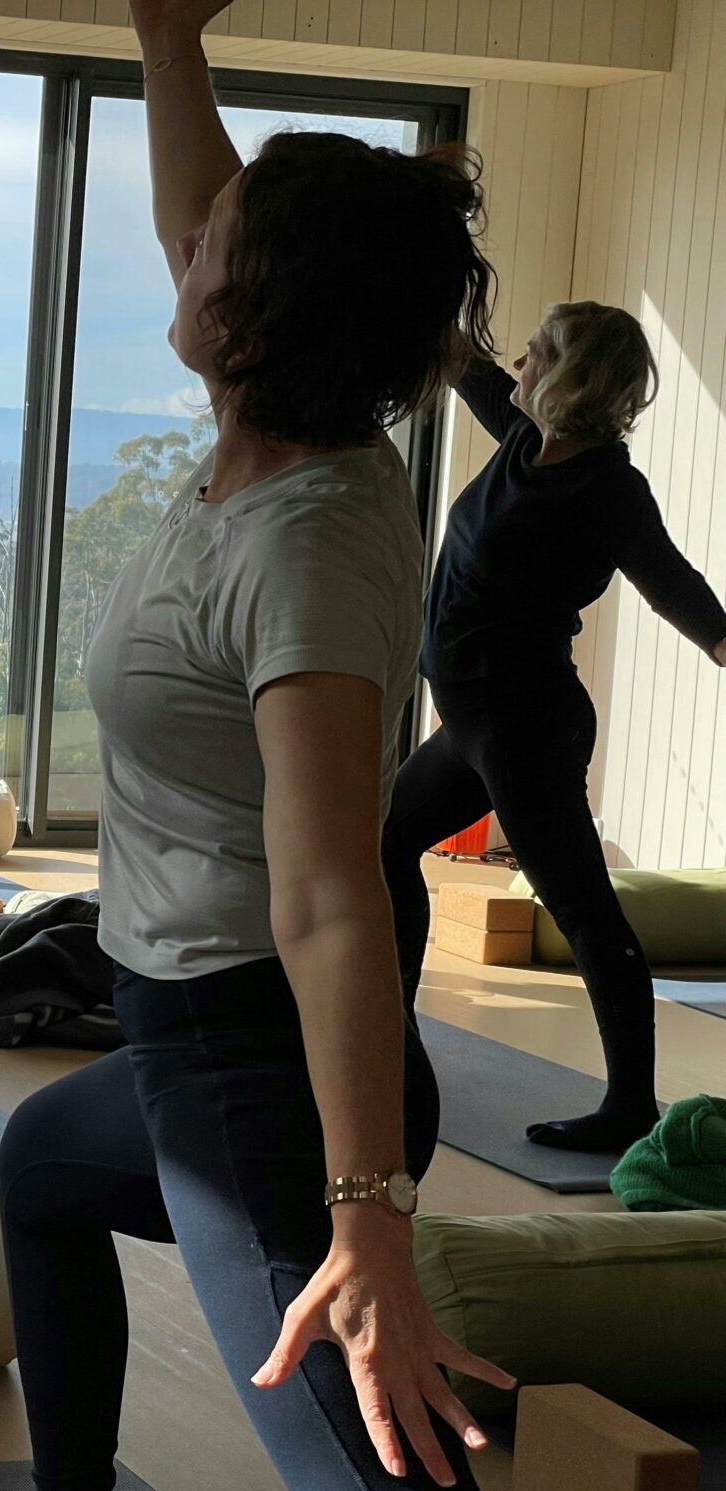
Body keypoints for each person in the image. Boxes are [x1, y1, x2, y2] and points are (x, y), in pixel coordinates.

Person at [0, 1, 517, 1491]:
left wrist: (369, 1225)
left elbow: (333, 895)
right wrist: (167, 39)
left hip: (256, 1075)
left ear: (254, 318)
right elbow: (198, 227)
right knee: (40, 1172)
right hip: (175, 1037)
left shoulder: (307, 544)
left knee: (373, 1471)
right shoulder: (254, 436)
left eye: (216, 241)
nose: (185, 242)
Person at [382, 302, 726, 1153]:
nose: (522, 362)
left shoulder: (606, 486)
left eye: (537, 353)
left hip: (525, 725)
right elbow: (468, 363)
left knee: (584, 912)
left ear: (570, 376)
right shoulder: (525, 440)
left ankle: (630, 1108)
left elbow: (672, 581)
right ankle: (393, 1040)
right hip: (475, 723)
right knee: (386, 843)